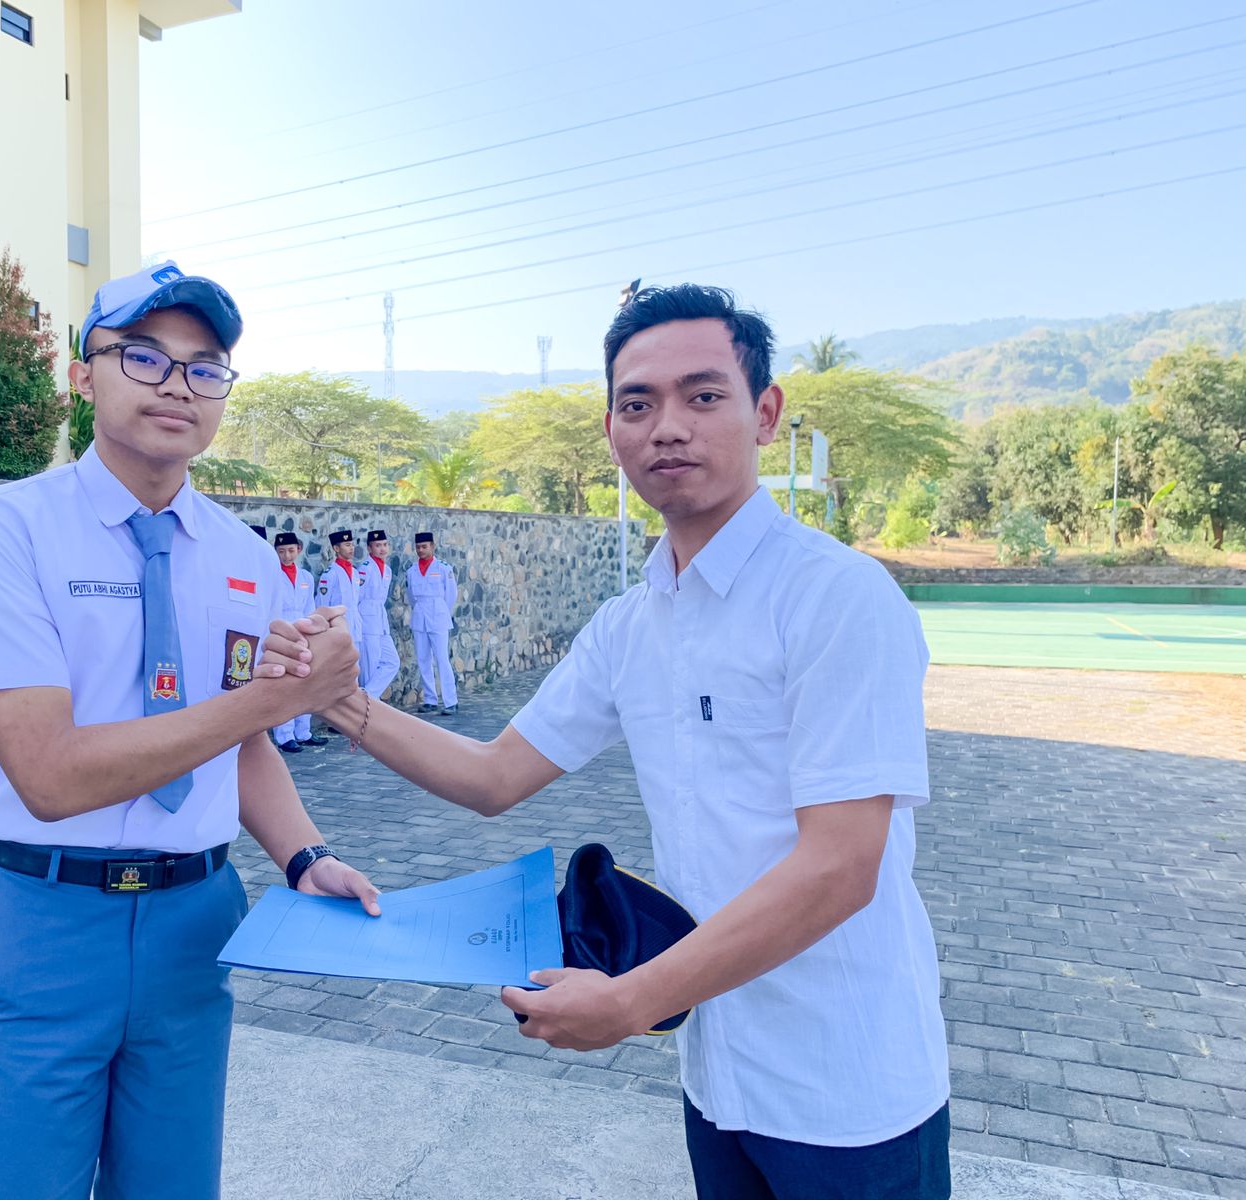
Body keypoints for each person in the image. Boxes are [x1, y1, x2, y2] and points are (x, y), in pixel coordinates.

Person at [269, 284, 951, 1200]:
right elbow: (493, 775)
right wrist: (341, 701)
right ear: (612, 430)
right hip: (720, 1076)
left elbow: (841, 865)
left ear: (766, 413)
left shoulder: (837, 600)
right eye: (639, 404)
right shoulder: (632, 627)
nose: (668, 426)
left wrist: (629, 1002)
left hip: (849, 1084)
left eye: (703, 395)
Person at [0, 261, 379, 1200]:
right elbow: (48, 774)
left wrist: (305, 858)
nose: (178, 384)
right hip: (40, 920)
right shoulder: (2, 532)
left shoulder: (244, 555)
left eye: (205, 366)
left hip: (193, 918)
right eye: (144, 356)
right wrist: (272, 699)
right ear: (83, 374)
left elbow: (238, 744)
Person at [270, 531, 327, 754]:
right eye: (282, 551)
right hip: (282, 632)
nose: (286, 555)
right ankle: (285, 736)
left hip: (303, 633)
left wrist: (312, 631)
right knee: (284, 685)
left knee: (305, 682)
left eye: (291, 550)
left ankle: (303, 732)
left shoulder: (305, 577)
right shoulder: (273, 576)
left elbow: (309, 607)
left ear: (299, 550)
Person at [405, 531, 458, 716]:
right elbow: (411, 596)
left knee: (442, 659)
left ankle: (451, 701)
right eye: (418, 547)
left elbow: (451, 595)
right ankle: (430, 699)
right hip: (420, 615)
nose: (421, 550)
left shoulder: (444, 568)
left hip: (438, 614)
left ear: (432, 546)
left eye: (424, 546)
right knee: (423, 659)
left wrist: (442, 610)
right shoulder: (412, 571)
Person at [355, 529, 401, 699]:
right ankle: (367, 707)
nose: (382, 549)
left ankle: (366, 697)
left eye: (384, 545)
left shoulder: (387, 570)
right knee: (370, 666)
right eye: (377, 545)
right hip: (367, 621)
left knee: (392, 662)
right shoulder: (365, 569)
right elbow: (358, 596)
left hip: (381, 622)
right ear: (369, 548)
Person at [316, 529, 364, 647]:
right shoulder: (330, 574)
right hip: (338, 626)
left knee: (355, 662)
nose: (351, 548)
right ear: (336, 549)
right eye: (347, 545)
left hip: (354, 625)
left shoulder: (355, 573)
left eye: (352, 545)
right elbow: (322, 604)